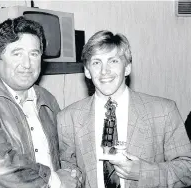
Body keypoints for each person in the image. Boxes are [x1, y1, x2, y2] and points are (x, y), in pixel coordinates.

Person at [0, 16, 80, 188]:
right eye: (17, 53)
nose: (27, 64)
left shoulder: (48, 99)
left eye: (34, 54)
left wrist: (74, 175)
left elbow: (65, 156)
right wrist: (53, 180)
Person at [57, 30, 191, 188]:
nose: (104, 71)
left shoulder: (164, 112)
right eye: (96, 62)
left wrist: (144, 172)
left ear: (127, 68)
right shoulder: (67, 118)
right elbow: (70, 172)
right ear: (87, 71)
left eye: (113, 61)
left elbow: (187, 170)